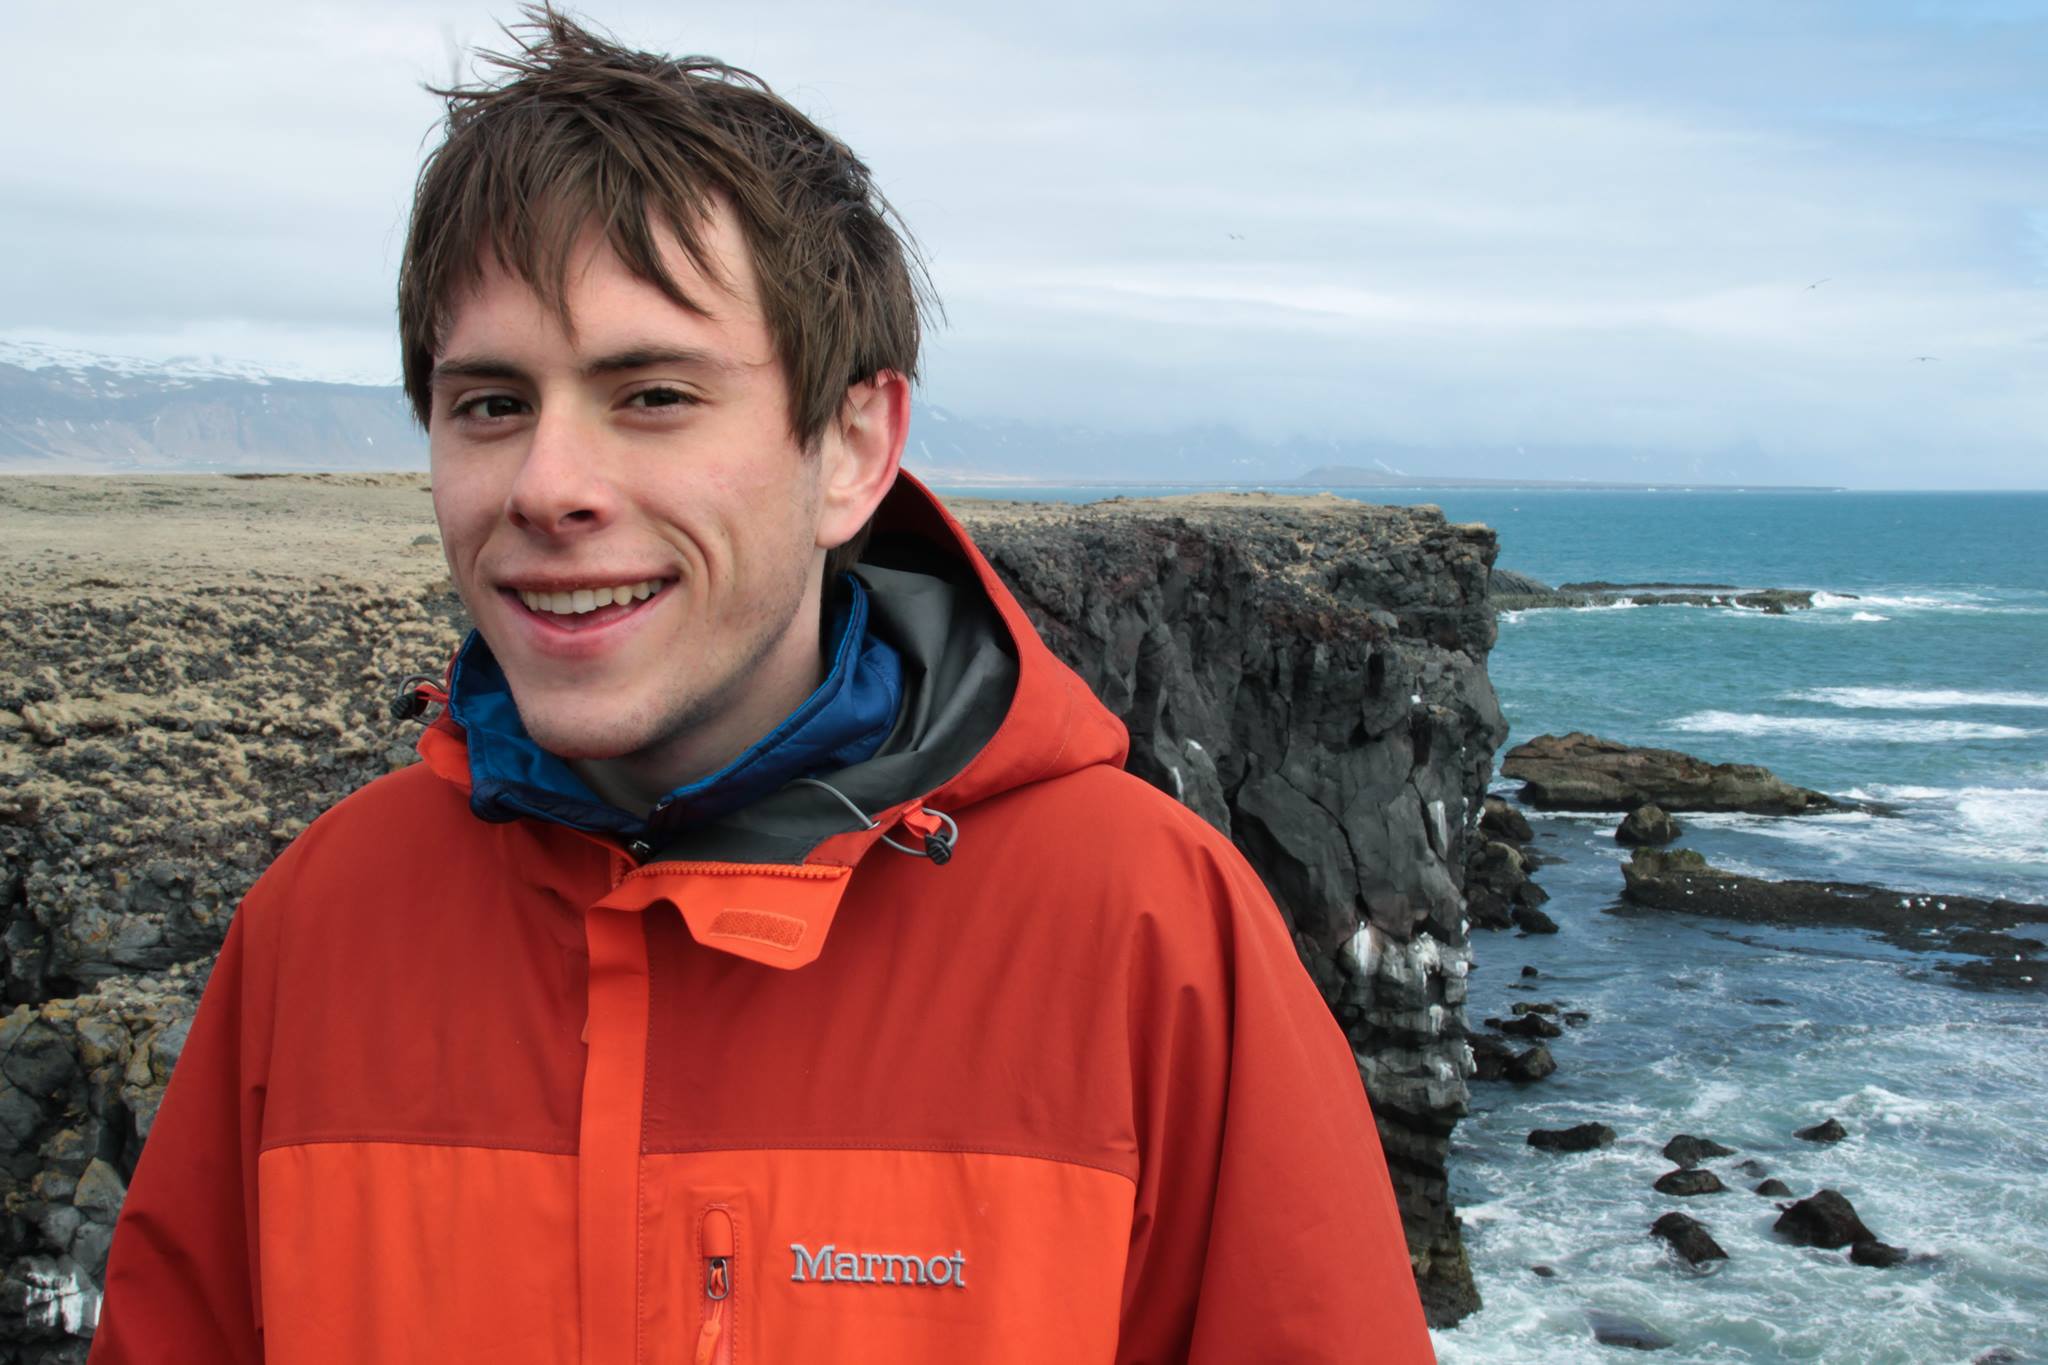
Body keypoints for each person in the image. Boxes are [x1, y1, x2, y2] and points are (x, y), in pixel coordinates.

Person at [90, 9, 1435, 1362]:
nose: (549, 487)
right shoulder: (319, 927)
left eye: (654, 395)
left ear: (852, 448)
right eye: (491, 403)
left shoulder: (1152, 936)